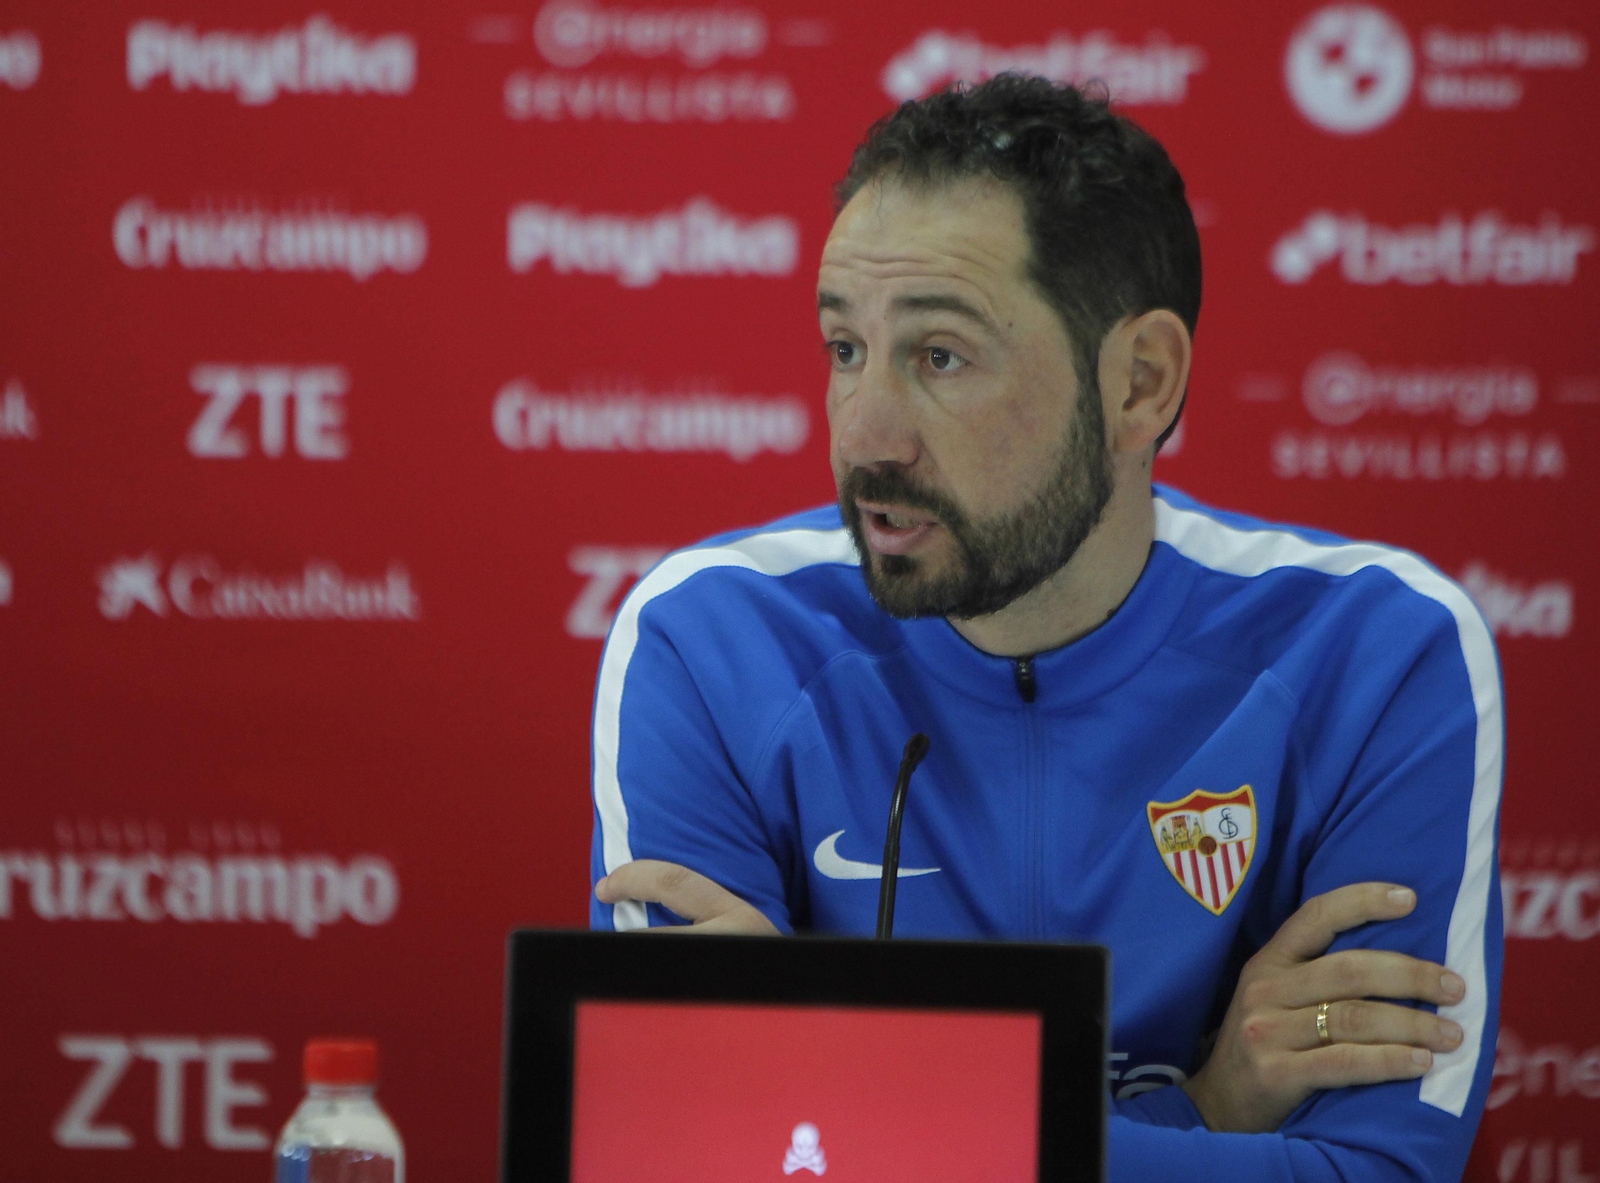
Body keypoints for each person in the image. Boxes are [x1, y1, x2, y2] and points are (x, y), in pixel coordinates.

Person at [588, 74, 1502, 1181]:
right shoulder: (710, 640)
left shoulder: (1375, 652)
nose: (867, 434)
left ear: (1139, 383)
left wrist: (831, 1086)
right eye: (843, 350)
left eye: (940, 357)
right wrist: (1200, 1112)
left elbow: (1377, 1174)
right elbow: (679, 1161)